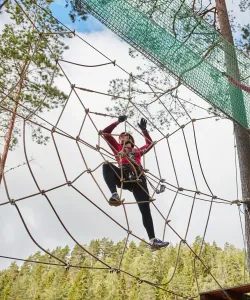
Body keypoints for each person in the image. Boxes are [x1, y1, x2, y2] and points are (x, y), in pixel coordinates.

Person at [101, 115, 169, 250]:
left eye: (125, 136)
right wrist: (118, 122)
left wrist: (144, 130)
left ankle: (153, 240)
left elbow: (149, 144)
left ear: (131, 140)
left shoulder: (137, 151)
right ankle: (114, 195)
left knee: (145, 210)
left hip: (138, 179)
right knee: (106, 165)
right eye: (121, 136)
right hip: (124, 175)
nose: (123, 137)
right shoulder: (117, 148)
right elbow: (106, 133)